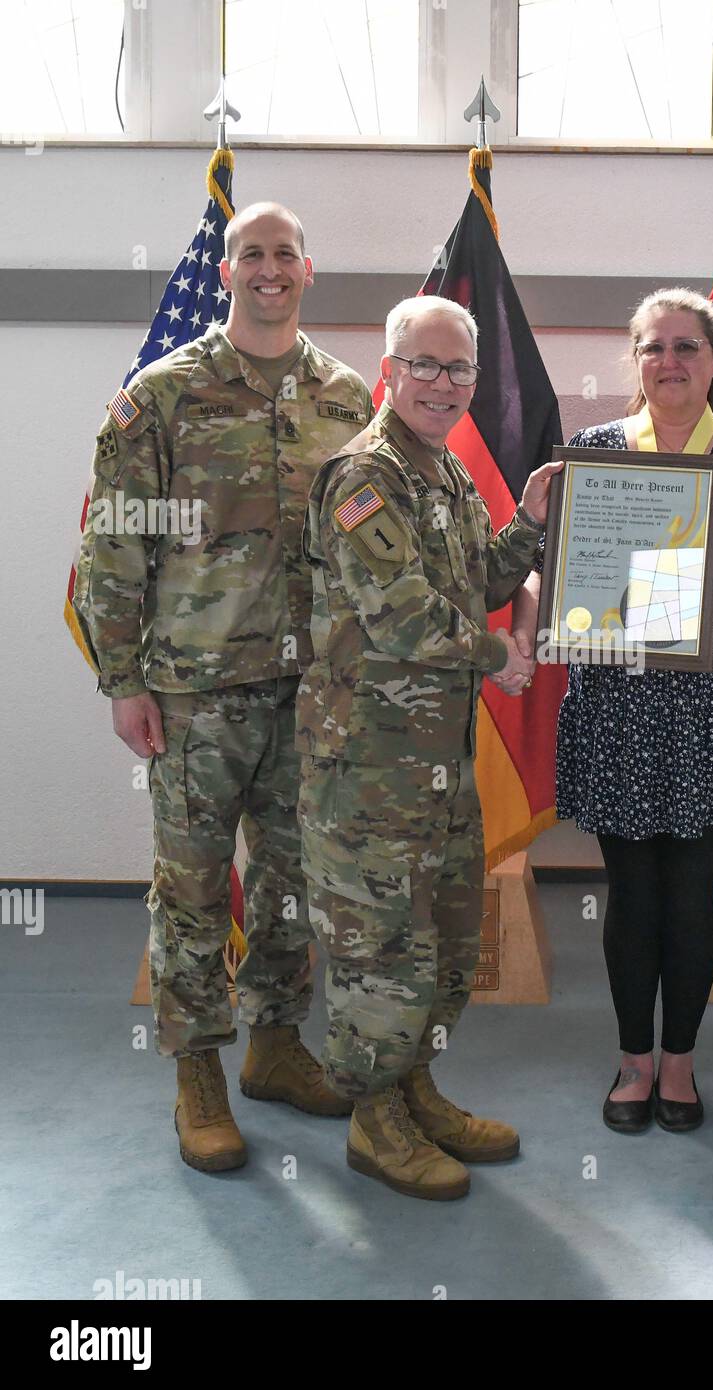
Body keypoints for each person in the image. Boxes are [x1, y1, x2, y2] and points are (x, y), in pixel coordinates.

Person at [73, 202, 375, 1172]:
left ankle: (276, 1045)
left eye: (285, 253)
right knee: (195, 888)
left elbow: (372, 542)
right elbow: (114, 544)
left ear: (308, 269)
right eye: (253, 253)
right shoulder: (161, 396)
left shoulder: (345, 396)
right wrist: (124, 680)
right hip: (195, 691)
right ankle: (196, 1069)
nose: (269, 269)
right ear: (227, 272)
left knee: (292, 885)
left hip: (308, 691)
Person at [516, 287, 713, 1134]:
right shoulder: (596, 452)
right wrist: (531, 631)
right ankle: (631, 1060)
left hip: (710, 711)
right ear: (634, 362)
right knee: (630, 896)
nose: (670, 361)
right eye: (653, 347)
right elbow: (547, 569)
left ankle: (678, 1063)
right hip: (616, 703)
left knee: (691, 896)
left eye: (687, 346)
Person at [297, 295, 560, 1201]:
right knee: (381, 955)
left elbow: (481, 577)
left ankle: (414, 1090)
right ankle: (375, 1124)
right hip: (366, 772)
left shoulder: (441, 473)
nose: (442, 385)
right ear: (389, 369)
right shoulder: (361, 476)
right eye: (425, 365)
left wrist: (525, 520)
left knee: (446, 949)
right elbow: (402, 612)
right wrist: (502, 659)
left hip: (436, 768)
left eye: (458, 370)